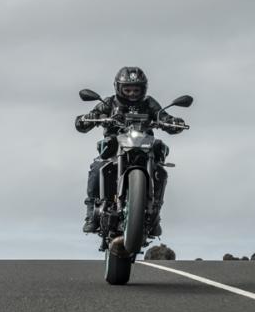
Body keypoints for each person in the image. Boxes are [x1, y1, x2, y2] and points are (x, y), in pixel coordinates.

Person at [74, 66, 186, 235]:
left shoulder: (149, 103)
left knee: (160, 166)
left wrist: (173, 121)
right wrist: (87, 119)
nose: (132, 94)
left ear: (143, 89)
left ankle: (155, 212)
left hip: (144, 146)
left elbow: (162, 116)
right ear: (118, 88)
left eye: (136, 90)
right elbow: (82, 123)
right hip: (115, 147)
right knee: (97, 168)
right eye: (127, 89)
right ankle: (91, 214)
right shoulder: (109, 103)